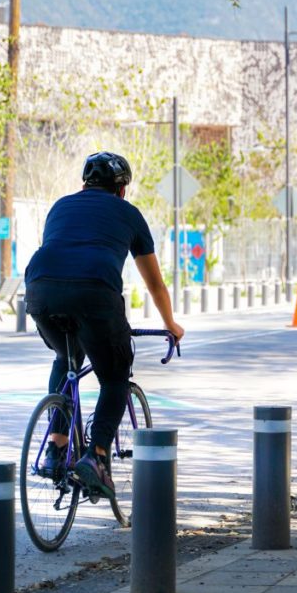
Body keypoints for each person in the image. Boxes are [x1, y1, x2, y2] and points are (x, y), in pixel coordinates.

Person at [25, 151, 185, 499]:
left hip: (40, 290)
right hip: (95, 293)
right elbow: (155, 284)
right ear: (122, 189)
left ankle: (56, 445)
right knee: (114, 376)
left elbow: (62, 251)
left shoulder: (60, 207)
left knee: (65, 360)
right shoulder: (129, 214)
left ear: (84, 184)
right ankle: (96, 456)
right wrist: (170, 323)